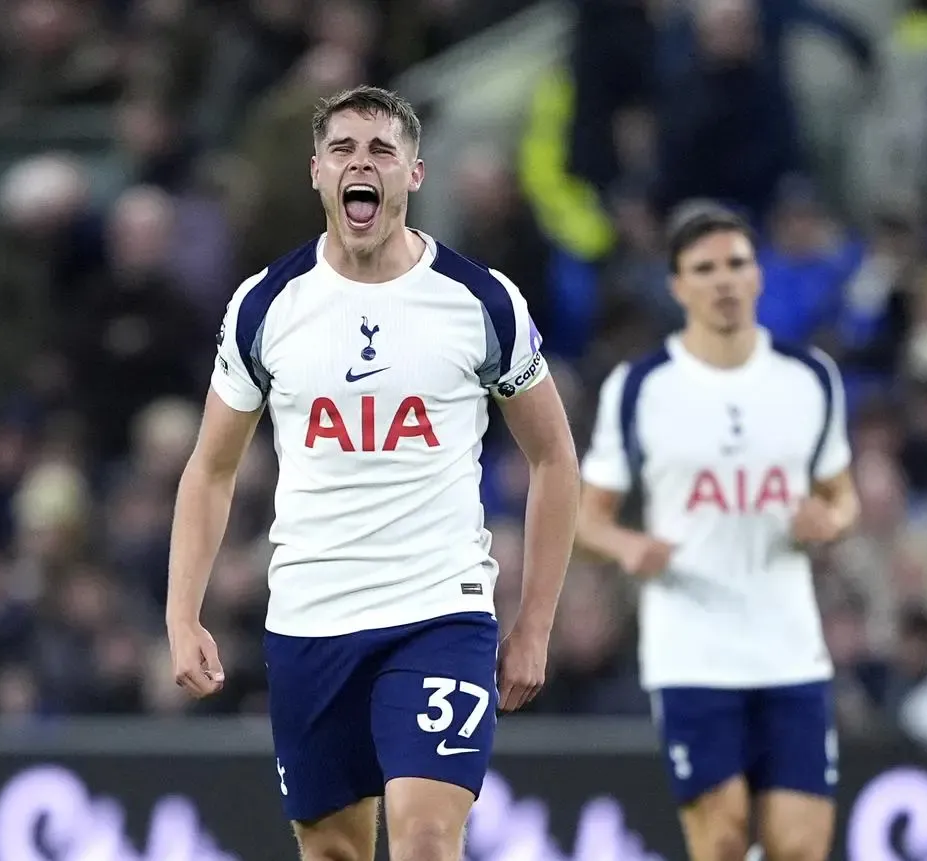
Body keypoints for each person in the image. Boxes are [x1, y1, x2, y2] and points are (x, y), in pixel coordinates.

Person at [165, 86, 580, 861]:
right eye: (346, 151)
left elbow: (555, 458)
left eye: (382, 150)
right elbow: (211, 468)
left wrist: (535, 623)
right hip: (310, 618)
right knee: (334, 852)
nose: (364, 164)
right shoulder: (267, 305)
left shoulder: (480, 300)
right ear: (318, 173)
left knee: (425, 838)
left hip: (439, 612)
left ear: (414, 174)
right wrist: (182, 612)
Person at [575, 203, 860, 861]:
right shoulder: (642, 386)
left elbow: (841, 494)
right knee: (723, 836)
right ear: (678, 286)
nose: (724, 280)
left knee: (799, 844)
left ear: (759, 274)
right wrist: (629, 546)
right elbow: (588, 519)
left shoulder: (809, 377)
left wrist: (832, 520)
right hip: (692, 648)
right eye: (705, 268)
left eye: (737, 263)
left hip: (789, 647)